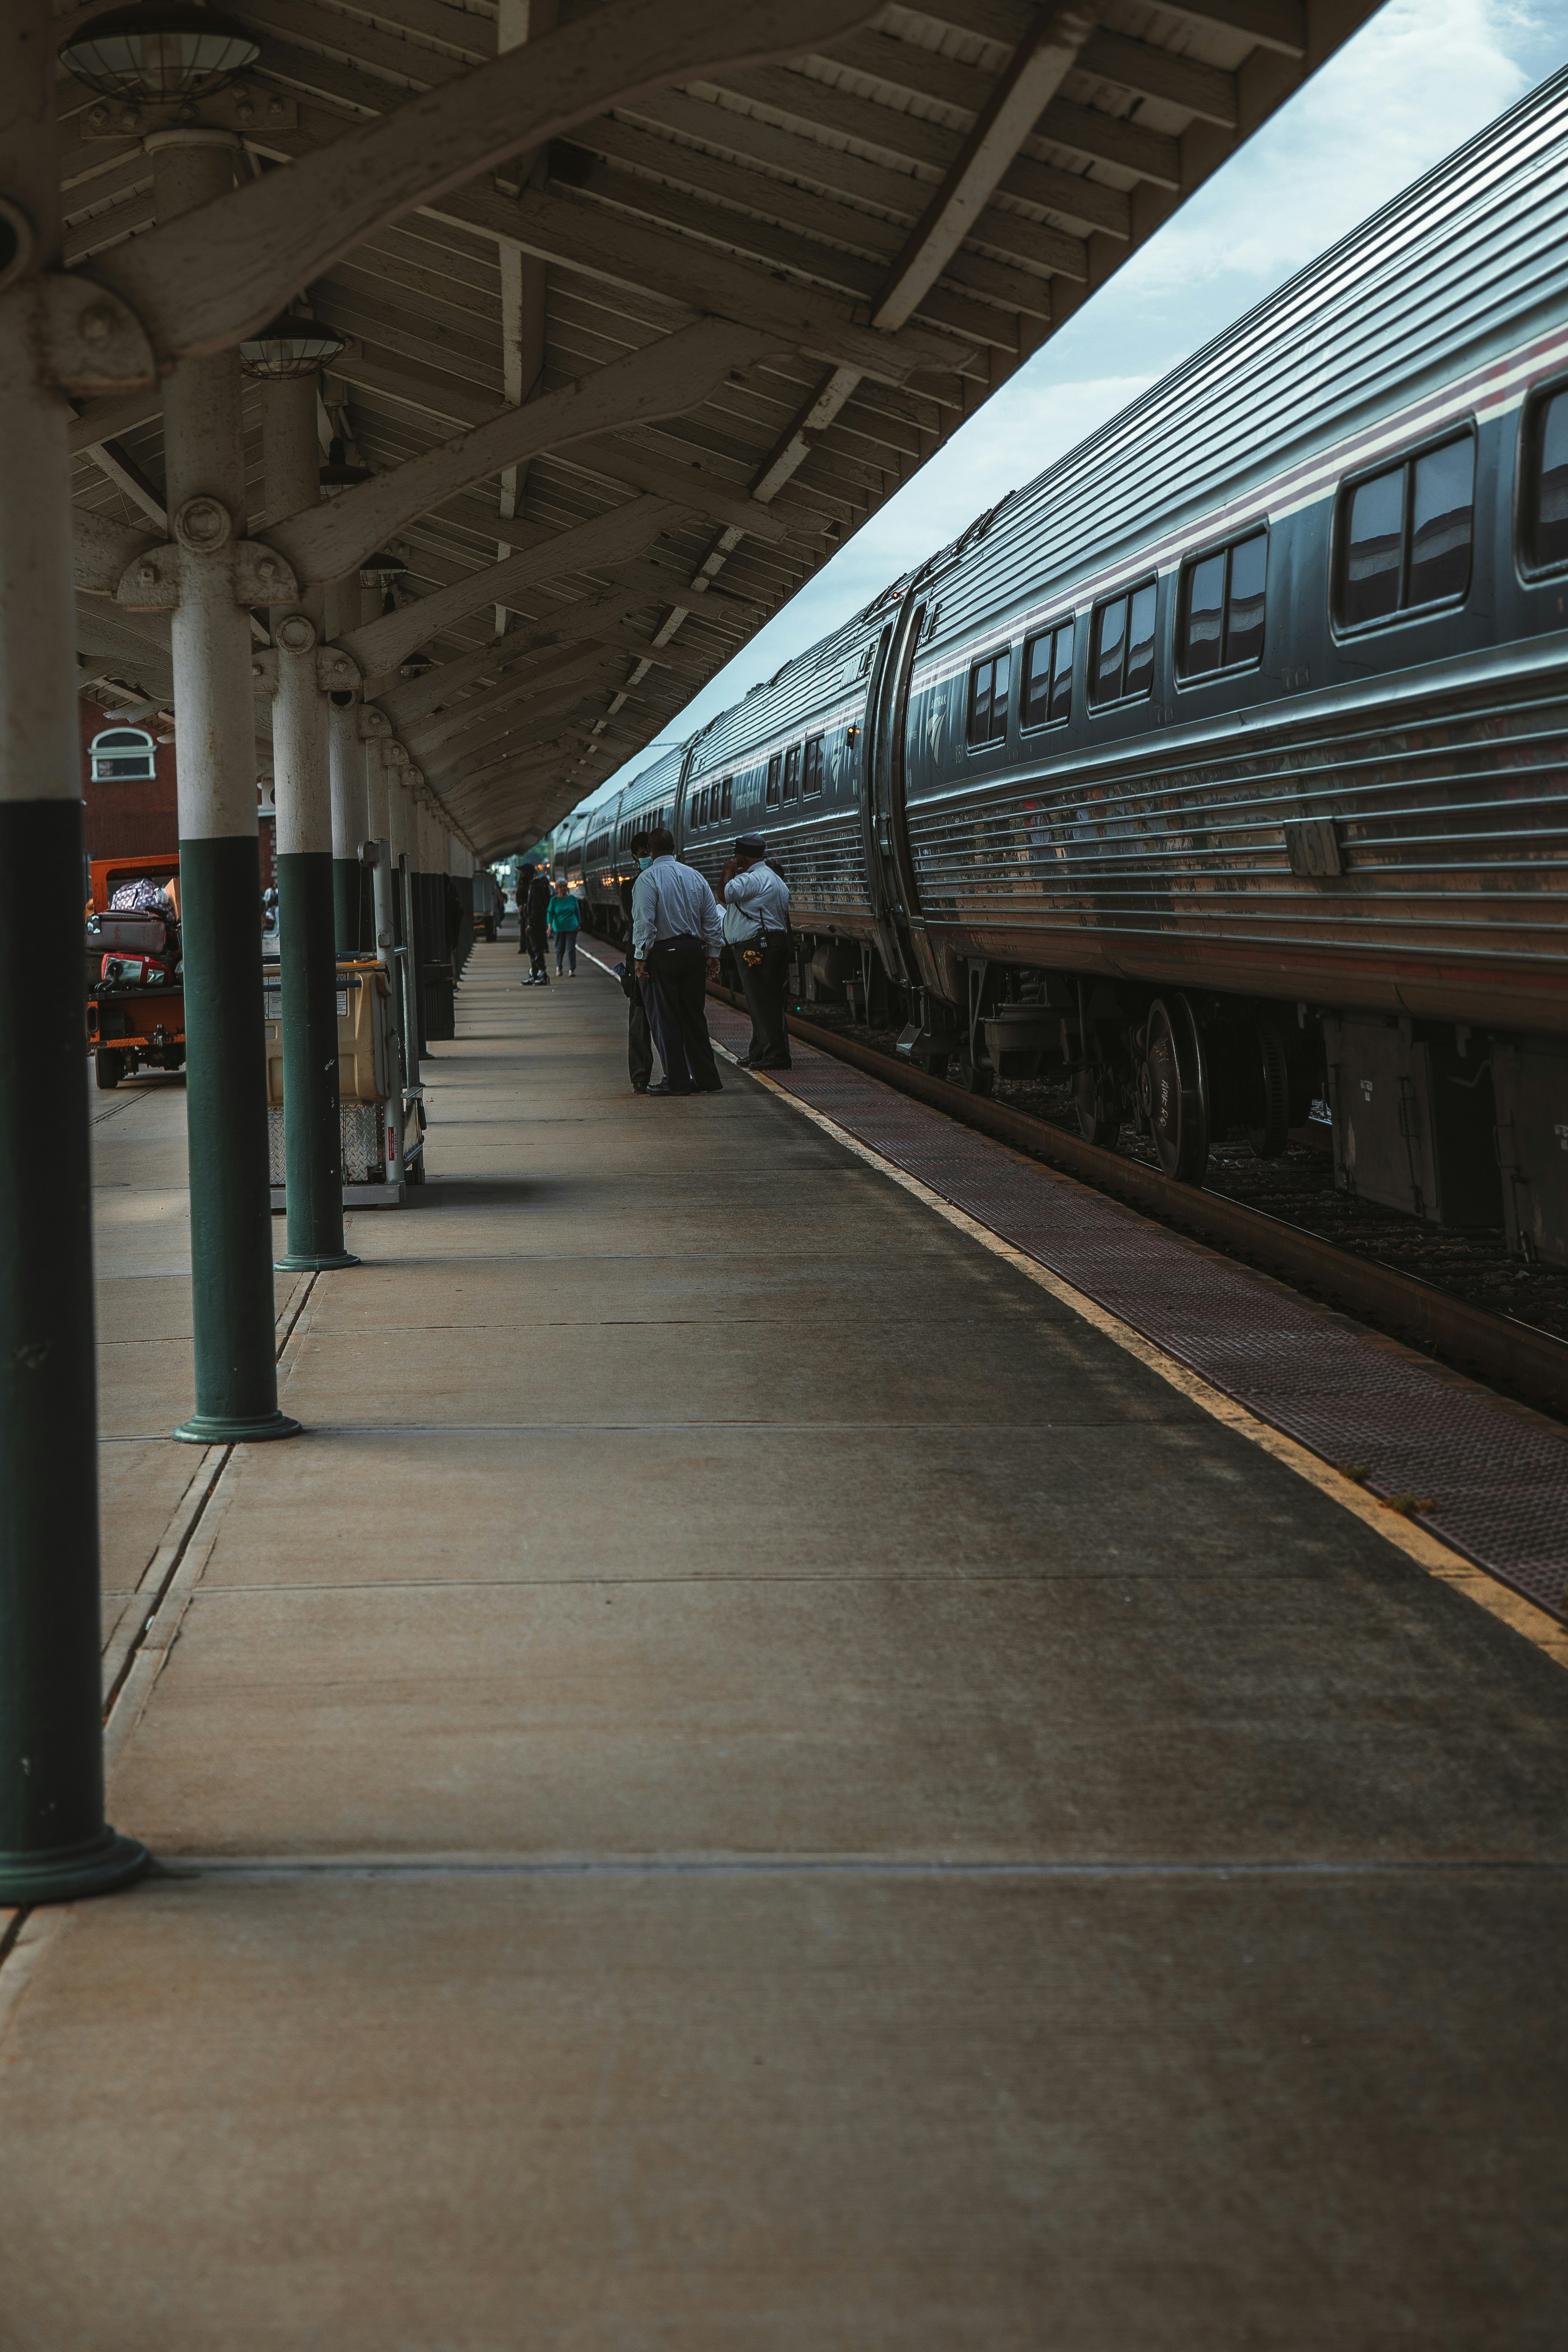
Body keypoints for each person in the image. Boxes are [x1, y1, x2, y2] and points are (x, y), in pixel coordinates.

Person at [631, 826, 723, 1096]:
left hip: (664, 953)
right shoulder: (695, 876)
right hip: (694, 951)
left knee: (665, 1018)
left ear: (650, 849)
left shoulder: (648, 880)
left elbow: (645, 923)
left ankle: (677, 1080)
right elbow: (712, 919)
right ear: (674, 847)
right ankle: (708, 1078)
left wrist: (641, 956)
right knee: (694, 1017)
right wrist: (714, 953)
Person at [720, 834, 792, 1069]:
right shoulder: (773, 878)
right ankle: (760, 1051)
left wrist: (728, 870)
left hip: (757, 948)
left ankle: (775, 1056)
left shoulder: (752, 879)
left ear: (741, 859)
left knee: (763, 1002)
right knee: (764, 1001)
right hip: (772, 944)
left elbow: (724, 895)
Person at [619, 830, 654, 1093]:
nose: (648, 858)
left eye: (651, 853)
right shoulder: (630, 886)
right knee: (639, 1020)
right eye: (644, 855)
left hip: (656, 956)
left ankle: (674, 1073)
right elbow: (637, 922)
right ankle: (640, 1077)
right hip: (640, 958)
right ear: (635, 858)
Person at [524, 865, 551, 985]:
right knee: (532, 949)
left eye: (523, 874)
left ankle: (542, 974)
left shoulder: (536, 887)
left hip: (536, 924)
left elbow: (536, 907)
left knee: (536, 949)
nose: (521, 876)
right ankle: (534, 974)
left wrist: (531, 924)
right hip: (536, 923)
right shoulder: (535, 886)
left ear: (529, 874)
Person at [548, 879, 580, 975]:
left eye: (564, 887)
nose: (563, 889)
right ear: (557, 889)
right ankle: (559, 968)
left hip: (572, 926)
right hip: (559, 928)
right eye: (561, 887)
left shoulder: (572, 899)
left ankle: (572, 969)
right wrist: (550, 926)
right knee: (560, 949)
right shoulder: (554, 900)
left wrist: (579, 923)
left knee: (571, 949)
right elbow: (550, 914)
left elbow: (577, 912)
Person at [514, 865, 533, 955]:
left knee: (528, 930)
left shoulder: (531, 885)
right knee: (523, 930)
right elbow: (518, 896)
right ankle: (524, 947)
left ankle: (528, 947)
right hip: (524, 911)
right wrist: (520, 905)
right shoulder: (522, 883)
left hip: (530, 911)